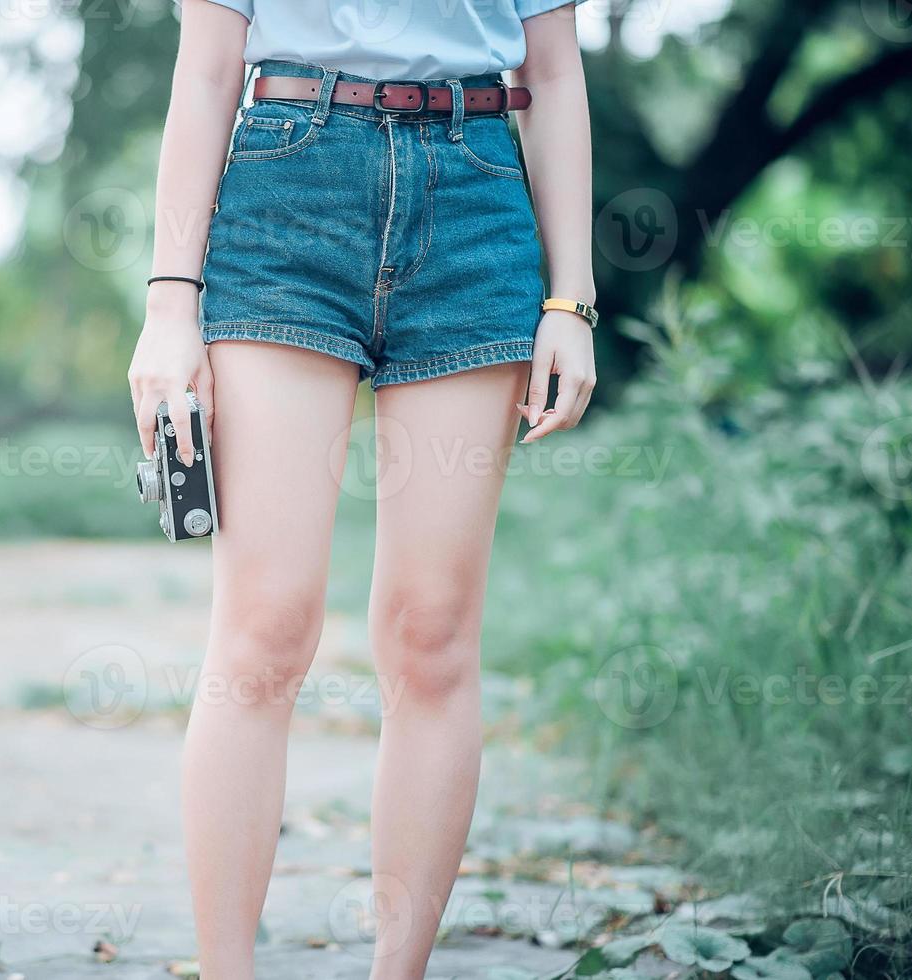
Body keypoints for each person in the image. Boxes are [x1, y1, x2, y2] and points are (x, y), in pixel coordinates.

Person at [126, 2, 597, 976]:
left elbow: (552, 73)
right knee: (264, 624)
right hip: (287, 187)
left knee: (431, 632)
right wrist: (171, 302)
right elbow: (207, 69)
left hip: (475, 197)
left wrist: (572, 298)